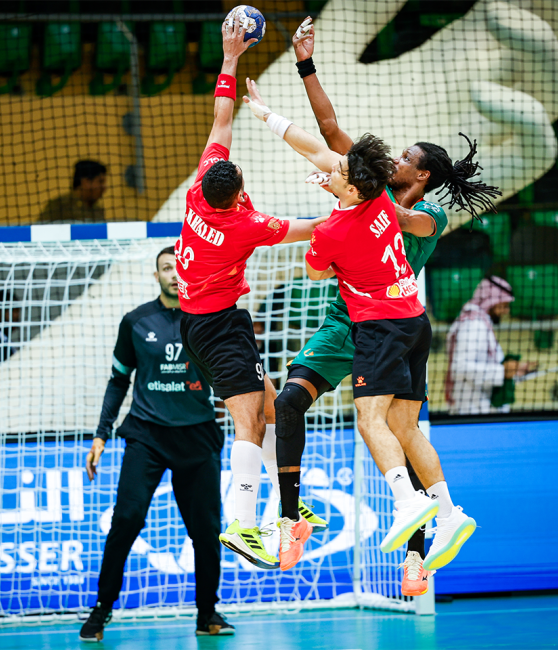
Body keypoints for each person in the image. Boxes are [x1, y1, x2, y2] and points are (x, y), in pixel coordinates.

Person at [244, 63, 498, 578]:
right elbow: (328, 132)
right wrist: (304, 71)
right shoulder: (369, 194)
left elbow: (384, 218)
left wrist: (346, 195)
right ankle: (291, 518)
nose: (398, 158)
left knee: (381, 424)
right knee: (300, 403)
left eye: (407, 157)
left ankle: (416, 546)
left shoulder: (423, 215)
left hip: (382, 322)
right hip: (359, 320)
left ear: (421, 175)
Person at [175, 18, 328, 572]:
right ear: (237, 189)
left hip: (207, 320)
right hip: (218, 325)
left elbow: (221, 116)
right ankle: (241, 523)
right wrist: (354, 207)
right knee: (250, 421)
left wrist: (229, 56)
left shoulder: (201, 187)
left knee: (267, 405)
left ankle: (286, 509)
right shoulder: (247, 224)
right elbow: (309, 229)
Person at [78, 247, 234, 641]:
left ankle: (207, 613)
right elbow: (118, 381)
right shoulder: (135, 322)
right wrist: (101, 433)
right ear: (157, 275)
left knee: (206, 530)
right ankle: (100, 611)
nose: (175, 274)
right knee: (125, 521)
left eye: (180, 266)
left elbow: (230, 375)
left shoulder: (209, 318)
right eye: (167, 267)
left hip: (199, 437)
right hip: (146, 436)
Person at [445, 276, 537, 415]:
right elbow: (460, 368)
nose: (506, 311)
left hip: (480, 410)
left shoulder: (481, 322)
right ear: (491, 301)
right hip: (472, 412)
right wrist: (502, 371)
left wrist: (515, 370)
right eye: (504, 306)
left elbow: (485, 364)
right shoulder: (473, 325)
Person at [39, 160, 108, 224]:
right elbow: (40, 231)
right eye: (100, 182)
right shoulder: (59, 206)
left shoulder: (97, 209)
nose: (104, 188)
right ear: (86, 181)